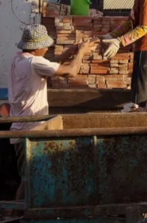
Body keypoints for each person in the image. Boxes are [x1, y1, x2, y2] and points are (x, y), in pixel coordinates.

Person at [9, 24, 96, 200]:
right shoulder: (35, 62)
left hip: (20, 128)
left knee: (29, 179)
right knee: (29, 181)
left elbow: (51, 65)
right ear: (36, 47)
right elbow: (71, 72)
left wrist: (71, 51)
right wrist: (81, 53)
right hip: (31, 130)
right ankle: (16, 217)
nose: (47, 48)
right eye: (45, 45)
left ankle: (20, 217)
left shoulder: (20, 59)